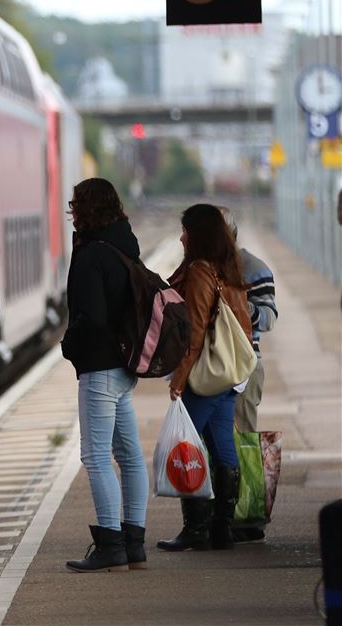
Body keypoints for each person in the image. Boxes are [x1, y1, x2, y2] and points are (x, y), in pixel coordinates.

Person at [59, 178, 148, 573]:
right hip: (124, 366)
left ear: (87, 208)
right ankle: (134, 543)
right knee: (129, 456)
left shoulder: (92, 253)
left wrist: (69, 343)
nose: (72, 211)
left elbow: (91, 315)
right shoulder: (125, 244)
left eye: (75, 204)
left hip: (98, 367)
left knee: (95, 456)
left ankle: (111, 543)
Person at [158, 204, 253, 553]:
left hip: (206, 375)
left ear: (198, 234)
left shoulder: (200, 272)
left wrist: (179, 378)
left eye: (185, 231)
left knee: (186, 447)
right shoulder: (228, 268)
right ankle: (222, 529)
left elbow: (196, 333)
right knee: (221, 446)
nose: (181, 237)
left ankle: (196, 527)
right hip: (229, 373)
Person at [219, 206, 278, 544]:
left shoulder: (254, 269)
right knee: (218, 442)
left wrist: (236, 305)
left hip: (244, 364)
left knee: (244, 439)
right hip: (210, 368)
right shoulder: (201, 269)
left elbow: (269, 318)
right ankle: (221, 513)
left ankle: (251, 518)